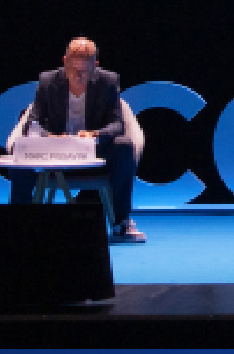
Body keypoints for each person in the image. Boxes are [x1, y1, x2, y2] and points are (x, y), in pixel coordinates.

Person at [14, 34, 144, 239]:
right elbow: (33, 122)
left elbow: (117, 124)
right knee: (20, 149)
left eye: (85, 71)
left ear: (95, 65)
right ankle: (18, 222)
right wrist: (49, 137)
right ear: (64, 62)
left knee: (124, 146)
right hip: (55, 149)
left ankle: (122, 222)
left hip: (92, 149)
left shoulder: (108, 81)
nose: (79, 76)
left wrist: (95, 135)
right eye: (74, 69)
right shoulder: (47, 81)